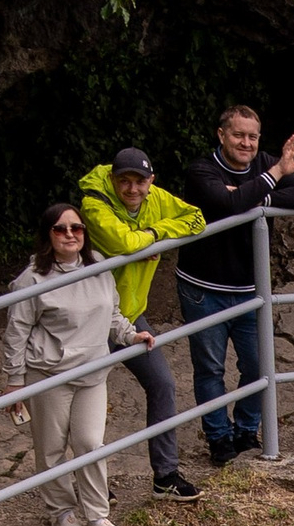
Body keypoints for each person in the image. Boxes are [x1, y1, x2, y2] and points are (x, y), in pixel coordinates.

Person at [174, 104, 294, 469]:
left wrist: (258, 193)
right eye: (239, 134)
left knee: (258, 364)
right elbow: (227, 202)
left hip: (250, 290)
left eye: (253, 136)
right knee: (209, 369)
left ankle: (246, 430)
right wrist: (267, 179)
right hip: (203, 287)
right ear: (221, 134)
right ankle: (219, 438)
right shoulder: (201, 170)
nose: (247, 143)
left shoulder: (265, 164)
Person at [78, 145, 204, 502]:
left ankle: (165, 475)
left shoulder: (155, 198)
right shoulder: (94, 204)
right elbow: (123, 242)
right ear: (114, 180)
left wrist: (152, 231)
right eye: (125, 182)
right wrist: (157, 235)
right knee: (88, 398)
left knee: (163, 384)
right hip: (91, 318)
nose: (133, 189)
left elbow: (196, 218)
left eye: (140, 182)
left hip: (131, 315)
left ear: (151, 181)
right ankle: (91, 482)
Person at [3, 204, 129, 526]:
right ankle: (61, 512)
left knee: (89, 443)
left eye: (77, 228)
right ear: (48, 235)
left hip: (92, 370)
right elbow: (17, 331)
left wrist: (131, 335)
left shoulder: (99, 265)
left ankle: (97, 515)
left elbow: (112, 313)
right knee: (52, 448)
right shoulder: (32, 280)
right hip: (49, 373)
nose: (70, 234)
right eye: (60, 229)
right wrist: (14, 380)